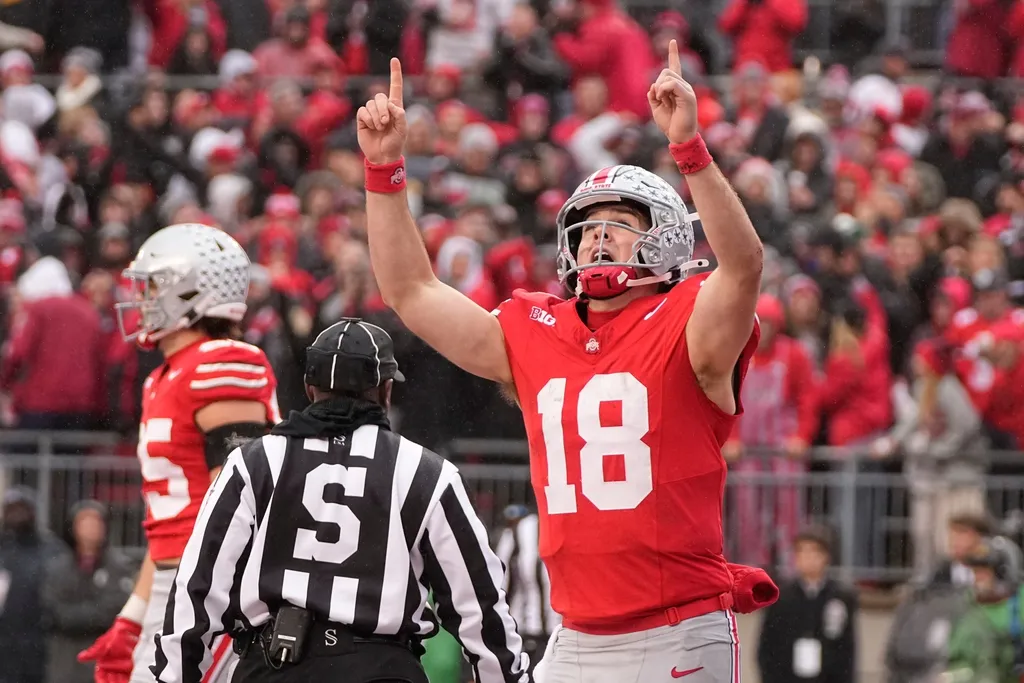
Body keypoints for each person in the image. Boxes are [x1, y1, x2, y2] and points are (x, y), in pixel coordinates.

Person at [357, 40, 775, 681]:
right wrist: (384, 174)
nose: (599, 234)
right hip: (572, 632)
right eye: (588, 224)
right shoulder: (535, 326)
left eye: (619, 221)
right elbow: (412, 293)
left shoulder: (689, 320)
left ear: (665, 236)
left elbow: (743, 265)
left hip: (675, 629)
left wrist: (689, 150)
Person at [150, 318, 529, 683]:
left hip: (273, 665)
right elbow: (478, 606)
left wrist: (174, 676)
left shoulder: (255, 460)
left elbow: (198, 586)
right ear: (385, 391)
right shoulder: (427, 472)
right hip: (381, 667)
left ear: (309, 387)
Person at [79, 223, 282, 683]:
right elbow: (169, 528)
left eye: (151, 286)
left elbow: (243, 500)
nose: (142, 299)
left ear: (190, 291)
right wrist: (133, 616)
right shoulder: (164, 376)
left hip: (214, 583)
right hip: (179, 577)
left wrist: (222, 604)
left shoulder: (223, 361)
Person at [757, 526, 857, 683]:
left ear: (826, 557)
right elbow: (767, 647)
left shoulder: (839, 597)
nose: (808, 558)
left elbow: (846, 649)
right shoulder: (781, 597)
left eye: (814, 552)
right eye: (802, 552)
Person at [945, 536, 1024, 683]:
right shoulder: (966, 607)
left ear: (1003, 572)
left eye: (983, 572)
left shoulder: (1019, 604)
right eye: (975, 572)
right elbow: (954, 656)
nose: (977, 579)